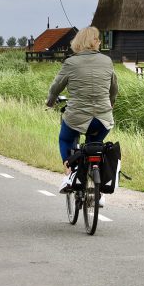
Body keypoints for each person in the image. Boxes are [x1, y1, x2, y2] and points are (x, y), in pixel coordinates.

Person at [46, 26, 118, 194]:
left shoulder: (71, 62)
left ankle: (70, 175)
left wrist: (50, 102)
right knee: (96, 145)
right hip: (102, 119)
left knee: (65, 139)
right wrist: (111, 103)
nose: (100, 41)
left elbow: (56, 87)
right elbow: (114, 88)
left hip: (76, 118)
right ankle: (98, 188)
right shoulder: (107, 61)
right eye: (98, 39)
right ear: (93, 42)